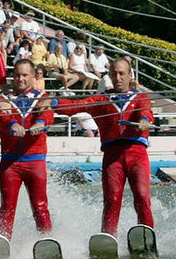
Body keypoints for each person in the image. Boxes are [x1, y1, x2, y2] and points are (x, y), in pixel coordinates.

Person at [53, 57, 155, 234]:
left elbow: (146, 111)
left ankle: (146, 232)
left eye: (122, 73)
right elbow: (75, 106)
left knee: (142, 196)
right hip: (112, 157)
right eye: (114, 74)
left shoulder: (140, 97)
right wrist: (53, 103)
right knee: (112, 199)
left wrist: (145, 120)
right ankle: (108, 236)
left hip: (137, 154)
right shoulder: (101, 100)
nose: (118, 77)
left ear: (130, 75)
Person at [0, 60, 55, 240]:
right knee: (7, 206)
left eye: (24, 75)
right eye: (17, 75)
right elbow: (2, 117)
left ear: (34, 77)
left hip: (34, 161)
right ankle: (3, 239)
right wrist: (12, 123)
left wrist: (41, 123)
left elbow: (48, 114)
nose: (20, 78)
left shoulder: (43, 98)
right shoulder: (3, 100)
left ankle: (46, 239)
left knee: (40, 205)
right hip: (10, 162)